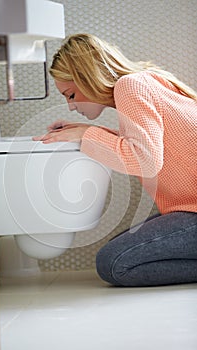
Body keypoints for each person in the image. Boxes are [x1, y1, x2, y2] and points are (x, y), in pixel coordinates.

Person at [33, 33, 197, 287]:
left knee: (113, 263)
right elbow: (147, 145)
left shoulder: (129, 86)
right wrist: (83, 132)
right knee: (117, 251)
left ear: (87, 78)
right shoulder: (146, 81)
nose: (70, 106)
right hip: (189, 211)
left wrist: (86, 134)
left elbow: (145, 161)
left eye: (71, 95)